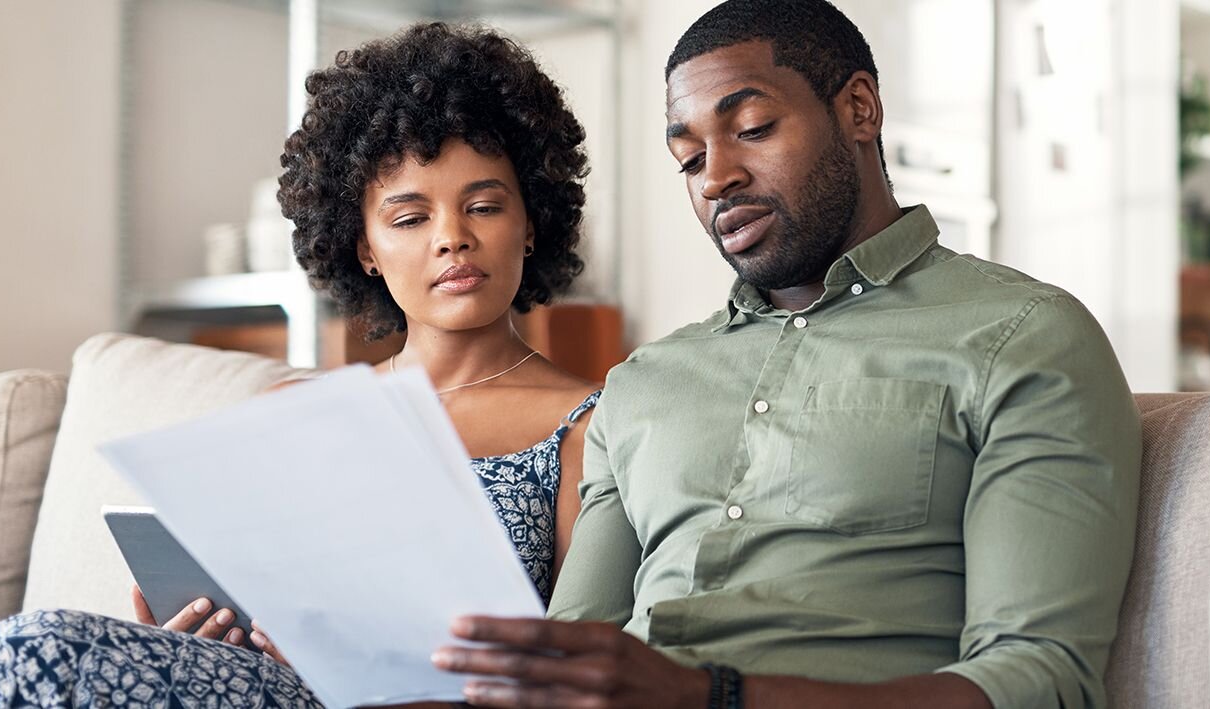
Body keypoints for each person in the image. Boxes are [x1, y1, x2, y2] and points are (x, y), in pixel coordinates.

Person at [430, 1, 1143, 708]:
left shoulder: (1021, 336)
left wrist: (709, 696)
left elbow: (1039, 679)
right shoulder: (644, 382)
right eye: (689, 157)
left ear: (858, 108)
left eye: (752, 128)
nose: (715, 178)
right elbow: (570, 650)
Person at [0, 23, 600, 708]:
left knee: (35, 649)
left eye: (483, 206)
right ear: (362, 246)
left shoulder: (589, 427)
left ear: (531, 221)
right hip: (263, 691)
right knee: (37, 649)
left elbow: (584, 670)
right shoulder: (298, 415)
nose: (451, 237)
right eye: (408, 218)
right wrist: (194, 642)